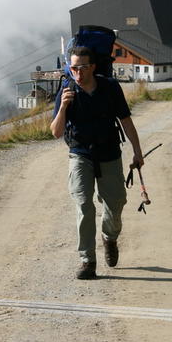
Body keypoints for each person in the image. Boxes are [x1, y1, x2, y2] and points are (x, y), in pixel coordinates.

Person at [50, 46, 144, 280]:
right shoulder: (67, 89)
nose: (78, 73)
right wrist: (63, 106)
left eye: (82, 68)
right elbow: (55, 132)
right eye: (73, 68)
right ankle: (87, 261)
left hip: (109, 153)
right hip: (80, 155)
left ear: (92, 67)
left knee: (116, 203)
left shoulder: (110, 88)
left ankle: (109, 238)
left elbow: (125, 121)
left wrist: (137, 152)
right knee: (84, 205)